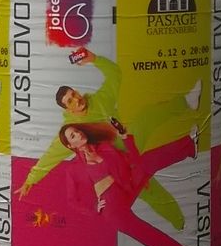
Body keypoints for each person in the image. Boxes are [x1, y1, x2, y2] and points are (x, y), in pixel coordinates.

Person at [14, 49, 205, 230]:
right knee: (150, 190)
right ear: (67, 109)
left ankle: (187, 103)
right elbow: (50, 156)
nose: (76, 100)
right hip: (120, 164)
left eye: (74, 94)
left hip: (129, 140)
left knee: (147, 117)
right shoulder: (70, 131)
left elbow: (115, 75)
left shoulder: (99, 100)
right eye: (70, 101)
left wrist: (94, 59)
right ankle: (181, 224)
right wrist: (31, 179)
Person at [59, 118, 195, 246]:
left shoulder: (104, 147)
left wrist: (125, 137)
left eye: (77, 131)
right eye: (73, 136)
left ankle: (189, 146)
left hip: (125, 187)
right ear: (70, 146)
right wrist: (93, 207)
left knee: (146, 161)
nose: (78, 134)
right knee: (145, 233)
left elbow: (134, 160)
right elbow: (71, 200)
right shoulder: (73, 168)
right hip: (111, 207)